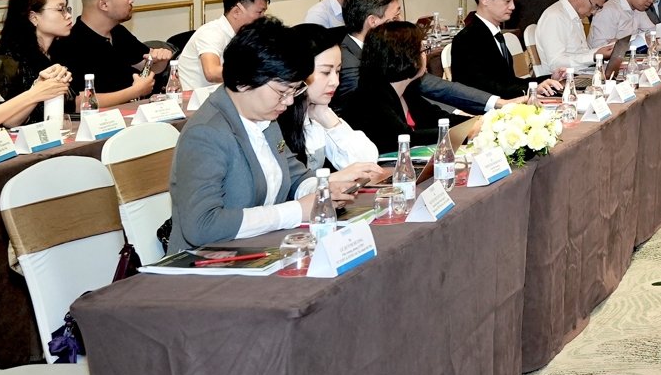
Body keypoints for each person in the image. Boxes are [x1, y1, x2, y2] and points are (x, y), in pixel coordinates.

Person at [166, 17, 384, 255]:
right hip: (207, 262)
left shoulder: (265, 117)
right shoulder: (206, 134)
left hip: (259, 249)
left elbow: (295, 177)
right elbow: (202, 225)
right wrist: (296, 211)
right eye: (282, 92)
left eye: (294, 90)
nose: (289, 101)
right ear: (243, 82)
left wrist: (323, 191)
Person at [333, 0, 495, 115]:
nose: (401, 21)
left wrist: (495, 102)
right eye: (395, 16)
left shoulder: (385, 50)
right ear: (373, 21)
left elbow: (432, 85)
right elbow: (379, 107)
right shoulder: (347, 62)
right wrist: (457, 115)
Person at [55, 0, 166, 108]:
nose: (131, 0)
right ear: (104, 4)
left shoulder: (118, 32)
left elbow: (145, 67)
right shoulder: (69, 44)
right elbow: (75, 102)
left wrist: (160, 60)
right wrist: (133, 92)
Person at [337, 19, 451, 151]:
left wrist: (469, 124)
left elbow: (438, 117)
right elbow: (404, 138)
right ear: (408, 57)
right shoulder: (370, 99)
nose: (425, 56)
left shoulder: (407, 91)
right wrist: (453, 133)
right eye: (422, 50)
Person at [449, 0, 562, 100]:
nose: (513, 6)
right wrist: (532, 89)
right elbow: (484, 88)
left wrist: (549, 79)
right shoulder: (468, 39)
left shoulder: (494, 34)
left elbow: (508, 82)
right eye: (507, 1)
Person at [282, 23, 380, 170]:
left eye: (338, 71)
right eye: (326, 72)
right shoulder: (275, 120)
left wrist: (327, 117)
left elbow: (367, 161)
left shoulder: (317, 111)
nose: (335, 82)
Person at [0, 0, 78, 124]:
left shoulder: (63, 52)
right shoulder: (9, 62)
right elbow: (4, 122)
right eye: (61, 9)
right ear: (33, 17)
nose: (68, 16)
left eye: (67, 9)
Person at [176, 0, 269, 91]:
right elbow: (212, 73)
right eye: (259, 12)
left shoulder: (246, 35)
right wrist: (255, 72)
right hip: (198, 99)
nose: (263, 18)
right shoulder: (211, 33)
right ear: (236, 12)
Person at [533, 0, 614, 73]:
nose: (594, 12)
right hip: (562, 79)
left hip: (578, 74)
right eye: (595, 6)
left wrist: (604, 49)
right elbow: (556, 64)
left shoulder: (574, 16)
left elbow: (580, 54)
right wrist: (594, 56)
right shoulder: (555, 16)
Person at [589, 0, 660, 50]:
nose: (651, 1)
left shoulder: (639, 9)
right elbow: (600, 48)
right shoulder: (608, 10)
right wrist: (634, 42)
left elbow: (653, 33)